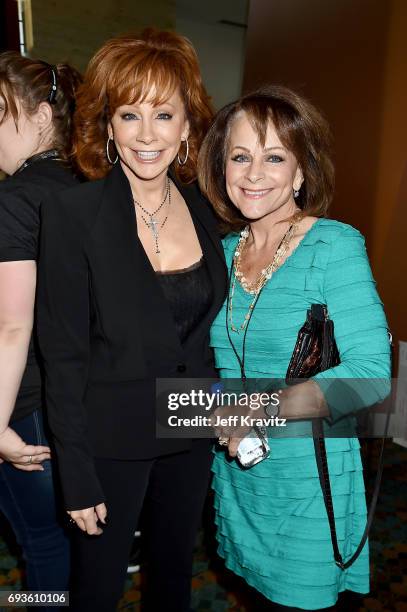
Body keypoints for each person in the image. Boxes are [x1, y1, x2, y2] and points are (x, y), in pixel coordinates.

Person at [36, 29, 227, 611]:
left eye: (164, 114)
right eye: (129, 114)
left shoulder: (206, 208)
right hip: (109, 441)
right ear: (108, 125)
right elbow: (62, 356)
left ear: (188, 126)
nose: (148, 135)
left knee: (173, 578)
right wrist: (76, 473)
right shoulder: (72, 213)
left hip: (191, 428)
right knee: (96, 590)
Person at [197, 85, 391, 611]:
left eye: (274, 157)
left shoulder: (334, 245)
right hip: (241, 476)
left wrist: (256, 407)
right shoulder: (221, 253)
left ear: (302, 171)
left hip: (311, 478)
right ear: (222, 168)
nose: (254, 172)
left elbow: (372, 372)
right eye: (240, 156)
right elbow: (215, 359)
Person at [0, 52, 81, 595]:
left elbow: (11, 325)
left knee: (41, 542)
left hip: (20, 405)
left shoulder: (14, 198)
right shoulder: (92, 185)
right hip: (72, 400)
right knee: (69, 535)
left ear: (43, 117)